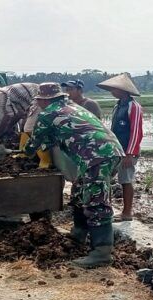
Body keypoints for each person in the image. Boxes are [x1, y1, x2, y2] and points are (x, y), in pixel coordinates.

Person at [23, 83, 124, 268]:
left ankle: (101, 253)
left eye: (38, 100)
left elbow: (33, 145)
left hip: (97, 156)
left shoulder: (47, 114)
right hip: (106, 152)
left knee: (96, 202)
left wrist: (21, 153)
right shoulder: (72, 107)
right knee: (79, 192)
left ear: (42, 100)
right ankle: (78, 234)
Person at [97, 73, 144, 221]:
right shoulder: (117, 106)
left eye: (114, 89)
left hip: (127, 152)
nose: (112, 92)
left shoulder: (133, 106)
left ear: (123, 90)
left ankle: (127, 213)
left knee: (126, 180)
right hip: (116, 150)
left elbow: (136, 131)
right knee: (109, 180)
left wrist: (129, 153)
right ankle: (108, 208)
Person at [0, 80, 51, 168]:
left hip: (40, 100)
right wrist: (8, 128)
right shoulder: (5, 92)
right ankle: (24, 153)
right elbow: (19, 114)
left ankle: (46, 161)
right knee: (24, 126)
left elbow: (8, 116)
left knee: (30, 129)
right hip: (40, 100)